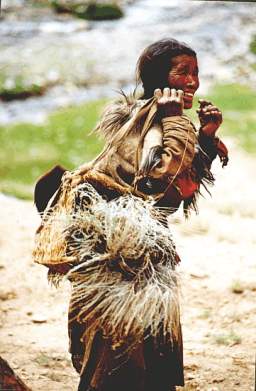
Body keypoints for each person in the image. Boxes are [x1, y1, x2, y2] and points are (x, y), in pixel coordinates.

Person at [33, 38, 228, 391]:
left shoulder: (165, 119)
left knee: (148, 349)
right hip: (113, 257)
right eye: (182, 71)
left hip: (141, 256)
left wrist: (206, 140)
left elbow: (171, 197)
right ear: (159, 78)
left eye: (196, 72)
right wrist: (177, 122)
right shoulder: (137, 120)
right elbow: (155, 179)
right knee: (118, 352)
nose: (193, 81)